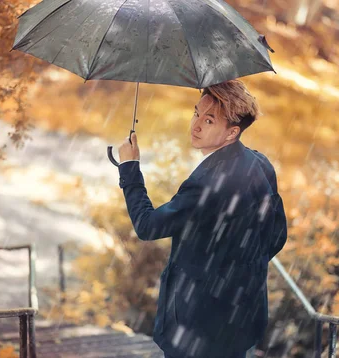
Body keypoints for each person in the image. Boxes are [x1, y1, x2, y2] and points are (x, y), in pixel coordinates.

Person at [117, 80, 287, 358]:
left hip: (197, 327)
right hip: (240, 319)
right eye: (196, 113)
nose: (195, 126)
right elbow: (276, 236)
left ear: (232, 132)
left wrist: (129, 168)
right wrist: (238, 272)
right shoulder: (260, 164)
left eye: (209, 121)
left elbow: (148, 226)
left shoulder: (206, 184)